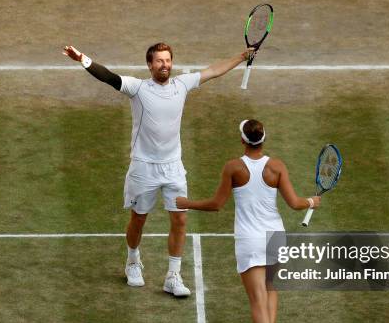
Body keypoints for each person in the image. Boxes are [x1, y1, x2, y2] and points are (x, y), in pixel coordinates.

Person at [63, 43, 253, 297]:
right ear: (150, 65)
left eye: (167, 60)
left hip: (173, 167)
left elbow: (213, 71)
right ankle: (133, 261)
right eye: (159, 61)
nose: (165, 65)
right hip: (143, 168)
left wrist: (241, 56)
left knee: (180, 219)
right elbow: (108, 77)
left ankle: (173, 275)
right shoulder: (138, 88)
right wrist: (83, 59)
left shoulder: (182, 84)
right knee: (138, 219)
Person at [176, 119, 320, 323]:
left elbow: (216, 204)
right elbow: (295, 203)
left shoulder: (234, 168)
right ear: (263, 139)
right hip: (275, 236)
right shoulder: (276, 167)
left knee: (256, 298)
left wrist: (188, 203)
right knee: (271, 291)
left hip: (249, 239)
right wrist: (312, 200)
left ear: (243, 140)